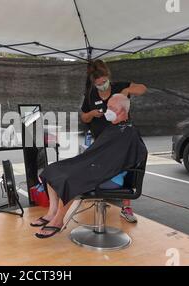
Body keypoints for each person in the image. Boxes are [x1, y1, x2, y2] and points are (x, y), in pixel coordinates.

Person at [31, 94, 148, 239]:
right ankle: (52, 213)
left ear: (123, 110)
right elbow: (101, 154)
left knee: (71, 178)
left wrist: (90, 165)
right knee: (52, 169)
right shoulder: (114, 128)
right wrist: (87, 161)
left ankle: (58, 220)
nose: (107, 110)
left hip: (111, 177)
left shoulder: (129, 132)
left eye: (111, 107)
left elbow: (123, 159)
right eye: (107, 107)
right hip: (99, 170)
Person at [80, 59, 147, 223]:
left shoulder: (119, 87)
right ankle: (99, 195)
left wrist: (127, 91)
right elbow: (83, 116)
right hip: (101, 142)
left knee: (125, 167)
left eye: (104, 81)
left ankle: (126, 207)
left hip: (120, 140)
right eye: (98, 83)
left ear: (108, 77)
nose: (102, 85)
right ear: (93, 83)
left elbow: (142, 88)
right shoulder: (90, 95)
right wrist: (91, 114)